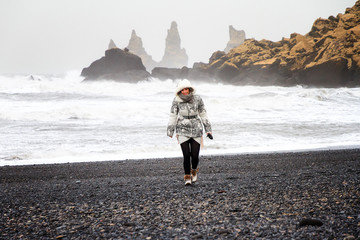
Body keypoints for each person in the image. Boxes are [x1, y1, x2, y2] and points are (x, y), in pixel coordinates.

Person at [167, 79, 212, 185]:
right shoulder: (176, 100)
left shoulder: (197, 99)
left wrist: (208, 130)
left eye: (186, 89)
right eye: (182, 90)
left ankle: (194, 170)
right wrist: (170, 131)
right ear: (179, 91)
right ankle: (187, 176)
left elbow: (203, 114)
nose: (184, 91)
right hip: (182, 128)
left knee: (195, 155)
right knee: (186, 155)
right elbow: (173, 115)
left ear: (190, 89)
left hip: (196, 127)